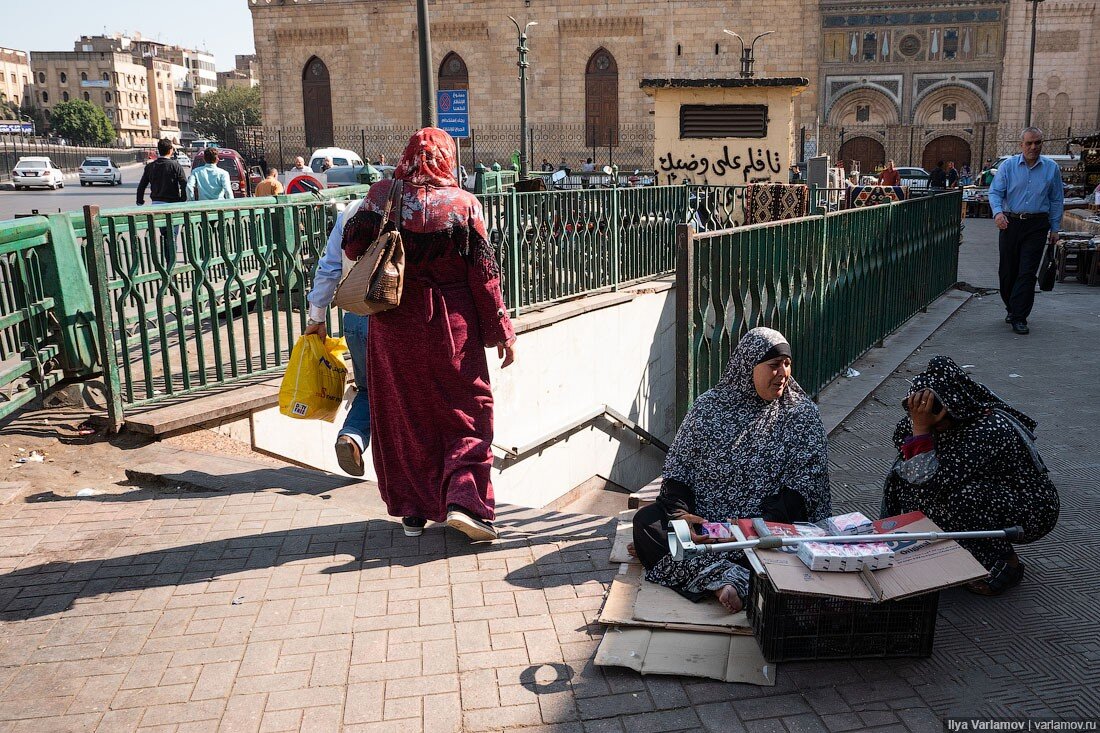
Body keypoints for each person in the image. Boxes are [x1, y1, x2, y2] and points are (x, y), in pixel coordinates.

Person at [341, 127, 517, 541]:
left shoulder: (382, 194)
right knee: (468, 411)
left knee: (405, 416)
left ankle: (412, 513)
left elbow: (351, 247)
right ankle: (465, 502)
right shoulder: (463, 205)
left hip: (393, 325)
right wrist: (502, 332)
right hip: (450, 327)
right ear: (447, 157)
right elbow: (485, 278)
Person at [630, 327, 831, 613]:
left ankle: (717, 575)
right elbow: (679, 469)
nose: (783, 373)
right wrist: (682, 517)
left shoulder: (800, 414)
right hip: (708, 530)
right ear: (748, 366)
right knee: (647, 524)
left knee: (790, 554)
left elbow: (804, 489)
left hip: (765, 533)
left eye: (787, 364)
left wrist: (748, 529)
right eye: (774, 365)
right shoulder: (708, 408)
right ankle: (729, 579)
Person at [883, 357, 1058, 596]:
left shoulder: (988, 429)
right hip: (984, 493)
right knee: (903, 479)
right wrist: (919, 426)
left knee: (955, 498)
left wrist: (922, 431)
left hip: (1028, 508)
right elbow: (903, 444)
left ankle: (1007, 565)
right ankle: (902, 546)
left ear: (953, 410)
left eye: (939, 425)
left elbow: (931, 482)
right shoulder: (934, 415)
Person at [303, 166, 384, 476]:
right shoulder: (411, 209)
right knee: (401, 394)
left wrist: (317, 316)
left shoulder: (352, 210)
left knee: (367, 389)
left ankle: (352, 436)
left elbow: (328, 269)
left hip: (354, 318)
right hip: (391, 321)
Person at [989, 126, 1064, 335]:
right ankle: (1011, 307)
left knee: (1027, 272)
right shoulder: (1008, 166)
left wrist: (1055, 228)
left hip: (1037, 225)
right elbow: (995, 192)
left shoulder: (1051, 168)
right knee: (1007, 271)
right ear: (1021, 145)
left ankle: (1020, 316)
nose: (1033, 147)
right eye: (1029, 143)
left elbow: (1057, 199)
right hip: (1010, 223)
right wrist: (997, 214)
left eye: (1037, 143)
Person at [136, 138, 188, 264]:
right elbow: (184, 184)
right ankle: (172, 264)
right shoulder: (175, 165)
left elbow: (142, 185)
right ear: (171, 150)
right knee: (172, 236)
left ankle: (169, 263)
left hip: (157, 205)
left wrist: (140, 201)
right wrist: (183, 200)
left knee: (165, 235)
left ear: (158, 151)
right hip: (173, 205)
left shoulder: (150, 167)